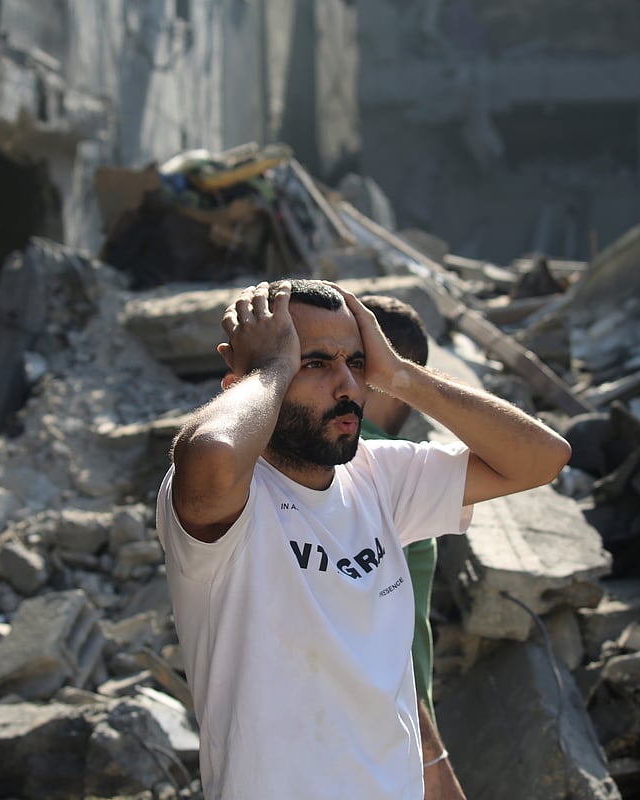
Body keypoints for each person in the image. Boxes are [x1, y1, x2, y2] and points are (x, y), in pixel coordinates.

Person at [156, 279, 570, 800]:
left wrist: (398, 374)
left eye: (355, 362)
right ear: (247, 378)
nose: (347, 386)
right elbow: (213, 455)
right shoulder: (232, 501)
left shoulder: (380, 477)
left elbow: (542, 458)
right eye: (313, 363)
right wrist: (269, 368)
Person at [358, 294, 464, 799]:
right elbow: (539, 457)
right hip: (390, 745)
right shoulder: (388, 467)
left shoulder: (301, 460)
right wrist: (433, 760)